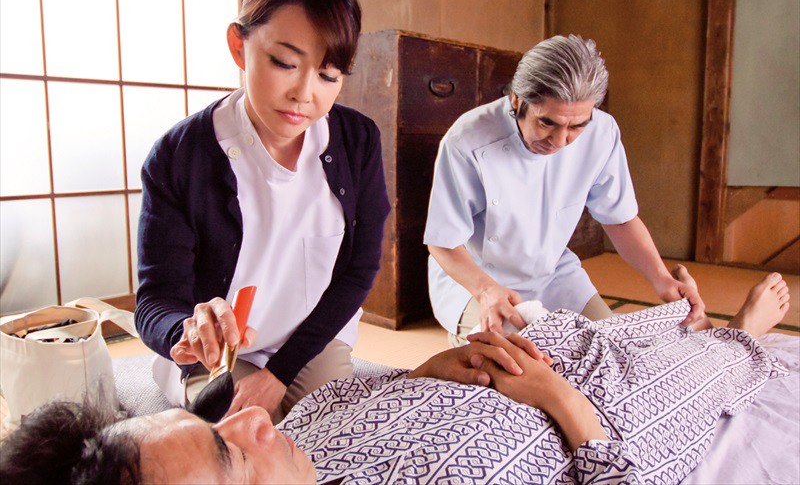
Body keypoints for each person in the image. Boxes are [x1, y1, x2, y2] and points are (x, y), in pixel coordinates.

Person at [2, 270, 790, 484]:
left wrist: (435, 368)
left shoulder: (297, 436)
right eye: (230, 454)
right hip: (601, 413)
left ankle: (681, 323)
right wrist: (558, 400)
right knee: (712, 357)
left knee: (600, 326)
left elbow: (344, 370)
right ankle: (743, 335)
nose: (254, 418)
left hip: (512, 359)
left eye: (218, 425)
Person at [134, 0, 390, 423]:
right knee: (238, 433)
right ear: (239, 46)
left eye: (328, 75)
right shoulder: (179, 156)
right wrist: (186, 331)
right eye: (284, 63)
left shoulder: (357, 143)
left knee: (336, 424)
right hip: (221, 352)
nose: (304, 94)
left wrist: (279, 373)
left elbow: (359, 271)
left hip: (311, 340)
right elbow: (153, 302)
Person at [424, 34, 705, 347]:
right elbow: (443, 241)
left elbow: (620, 218)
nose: (560, 141)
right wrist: (486, 290)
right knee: (515, 362)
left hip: (553, 273)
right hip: (475, 277)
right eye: (547, 123)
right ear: (516, 100)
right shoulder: (468, 139)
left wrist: (661, 278)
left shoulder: (603, 133)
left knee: (608, 348)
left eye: (576, 126)